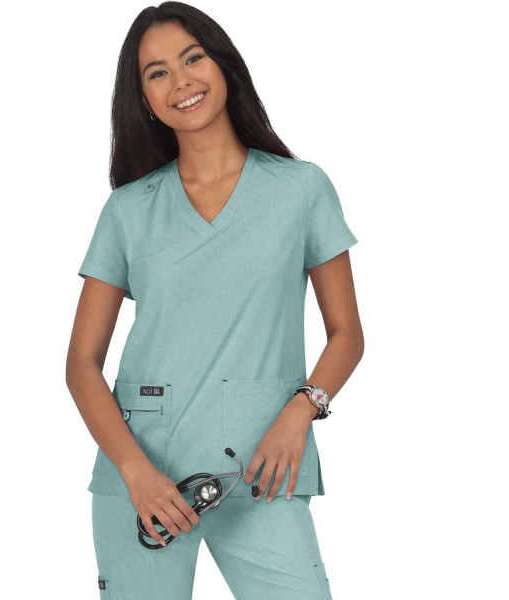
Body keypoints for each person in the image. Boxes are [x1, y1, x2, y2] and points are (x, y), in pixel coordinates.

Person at [66, 2, 364, 598]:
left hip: (266, 470)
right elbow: (81, 363)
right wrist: (136, 474)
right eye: (157, 72)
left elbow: (347, 334)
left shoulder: (302, 189)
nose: (180, 81)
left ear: (223, 65)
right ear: (144, 99)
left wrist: (300, 412)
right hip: (143, 481)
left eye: (192, 58)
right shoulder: (128, 210)